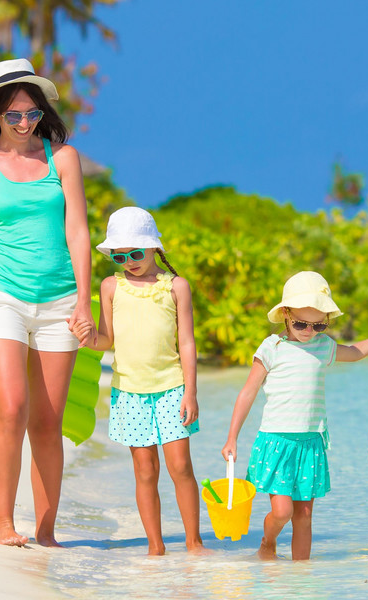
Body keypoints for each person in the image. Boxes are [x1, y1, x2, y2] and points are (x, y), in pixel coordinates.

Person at [0, 58, 94, 547]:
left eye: (32, 113)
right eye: (14, 116)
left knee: (48, 423)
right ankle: (3, 524)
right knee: (11, 408)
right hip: (2, 296)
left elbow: (78, 232)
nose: (25, 123)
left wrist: (84, 303)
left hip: (60, 303)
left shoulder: (63, 159)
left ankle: (46, 532)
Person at [222, 271, 368, 560]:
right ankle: (267, 542)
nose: (309, 331)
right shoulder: (272, 348)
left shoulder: (323, 347)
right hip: (278, 442)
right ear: (285, 314)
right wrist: (232, 437)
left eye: (319, 325)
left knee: (304, 516)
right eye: (300, 324)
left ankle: (302, 579)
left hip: (310, 443)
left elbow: (356, 352)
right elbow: (248, 392)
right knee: (282, 511)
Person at [86, 207, 208, 556]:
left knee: (181, 466)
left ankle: (193, 542)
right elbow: (105, 339)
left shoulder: (176, 287)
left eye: (136, 253)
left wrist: (191, 392)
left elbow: (186, 342)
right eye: (120, 255)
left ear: (155, 248)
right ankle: (156, 547)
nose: (129, 261)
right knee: (144, 470)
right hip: (129, 393)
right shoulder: (111, 286)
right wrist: (86, 335)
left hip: (172, 388)